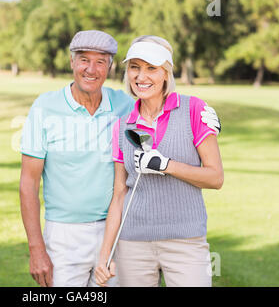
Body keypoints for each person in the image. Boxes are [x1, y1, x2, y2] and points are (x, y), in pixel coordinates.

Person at [19, 31, 221, 287]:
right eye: (83, 60)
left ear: (110, 67)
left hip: (123, 234)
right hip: (71, 233)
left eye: (100, 61)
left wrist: (203, 116)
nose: (91, 69)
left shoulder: (128, 107)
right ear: (71, 62)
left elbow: (213, 175)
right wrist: (36, 248)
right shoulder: (52, 109)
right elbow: (29, 183)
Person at [95, 35, 224, 287]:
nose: (141, 77)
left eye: (151, 68)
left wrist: (166, 165)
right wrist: (105, 253)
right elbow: (119, 194)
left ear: (166, 72)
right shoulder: (122, 127)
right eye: (135, 67)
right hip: (133, 244)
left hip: (185, 241)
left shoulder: (194, 110)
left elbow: (215, 178)